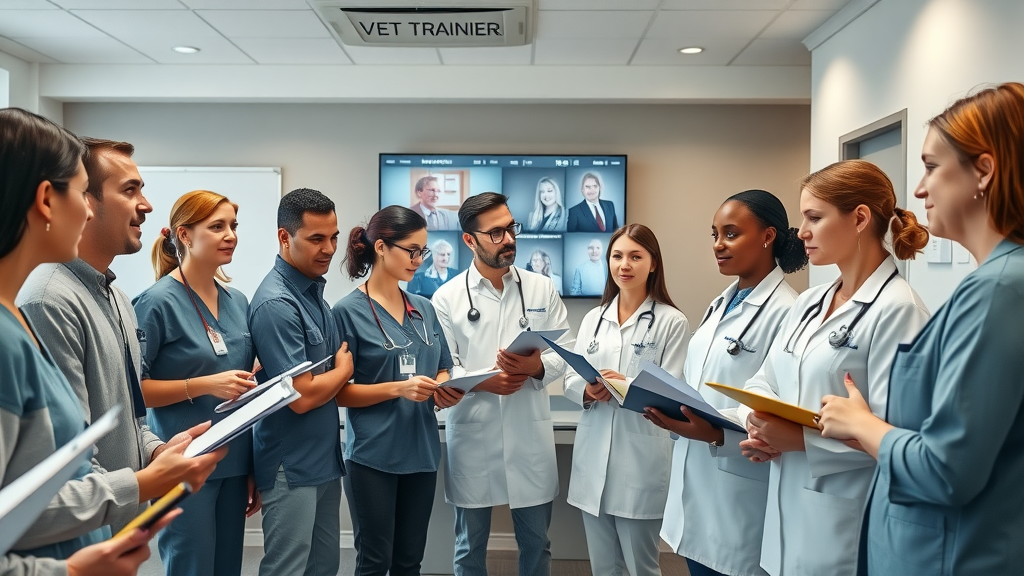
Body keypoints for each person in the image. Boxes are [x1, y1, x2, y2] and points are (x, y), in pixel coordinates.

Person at [817, 83, 1024, 575]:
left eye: (932, 166)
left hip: (950, 557)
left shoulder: (998, 292)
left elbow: (946, 468)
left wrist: (863, 425)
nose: (918, 189)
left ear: (984, 171)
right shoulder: (995, 283)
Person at [0, 107, 184, 576]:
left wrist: (157, 456)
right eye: (82, 192)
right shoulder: (38, 306)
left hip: (97, 539)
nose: (85, 210)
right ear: (46, 199)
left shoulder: (107, 296)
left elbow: (100, 429)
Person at [17, 137, 225, 537]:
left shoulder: (118, 300)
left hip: (117, 526)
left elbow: (127, 417)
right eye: (130, 190)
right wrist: (147, 481)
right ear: (86, 202)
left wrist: (159, 450)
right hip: (82, 537)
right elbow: (69, 457)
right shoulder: (49, 302)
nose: (146, 205)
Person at [734, 160, 930, 576]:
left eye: (814, 218)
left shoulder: (900, 310)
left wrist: (800, 440)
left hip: (844, 524)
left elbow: (898, 435)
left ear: (859, 218)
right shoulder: (809, 303)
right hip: (785, 516)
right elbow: (764, 379)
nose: (801, 232)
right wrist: (760, 423)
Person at [646, 189, 807, 576]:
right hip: (697, 486)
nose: (718, 245)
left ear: (768, 236)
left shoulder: (789, 310)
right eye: (714, 234)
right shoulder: (723, 302)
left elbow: (778, 402)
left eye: (731, 234)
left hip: (741, 487)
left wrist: (718, 433)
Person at [431, 192, 573, 576]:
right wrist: (485, 383)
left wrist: (535, 367)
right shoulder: (445, 298)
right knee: (469, 548)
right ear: (469, 240)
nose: (509, 238)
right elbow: (445, 367)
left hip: (529, 437)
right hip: (475, 435)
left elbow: (567, 354)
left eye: (511, 228)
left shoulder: (541, 289)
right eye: (496, 232)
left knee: (537, 546)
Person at [132, 190, 260, 576]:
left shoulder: (238, 301)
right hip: (183, 461)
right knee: (192, 567)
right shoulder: (156, 303)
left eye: (233, 226)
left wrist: (251, 465)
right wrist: (203, 384)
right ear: (184, 236)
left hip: (235, 460)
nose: (230, 235)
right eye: (217, 226)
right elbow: (133, 389)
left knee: (227, 569)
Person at [332, 206, 465, 576]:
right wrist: (399, 389)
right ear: (380, 247)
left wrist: (443, 387)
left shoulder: (423, 308)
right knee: (374, 561)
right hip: (372, 456)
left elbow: (442, 364)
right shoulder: (346, 312)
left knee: (409, 562)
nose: (418, 260)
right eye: (411, 250)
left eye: (422, 251)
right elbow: (340, 393)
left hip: (420, 453)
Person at [562, 224, 690, 576]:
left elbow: (675, 390)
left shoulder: (671, 321)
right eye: (617, 256)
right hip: (593, 459)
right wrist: (587, 391)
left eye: (636, 256)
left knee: (642, 568)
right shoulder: (593, 318)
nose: (625, 265)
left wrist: (626, 386)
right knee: (603, 568)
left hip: (641, 460)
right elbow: (572, 377)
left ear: (653, 264)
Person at [248, 187, 354, 576]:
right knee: (287, 569)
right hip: (289, 465)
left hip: (323, 459)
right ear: (284, 237)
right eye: (316, 239)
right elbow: (302, 396)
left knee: (323, 566)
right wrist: (342, 372)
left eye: (333, 237)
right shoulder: (276, 303)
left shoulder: (314, 296)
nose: (328, 248)